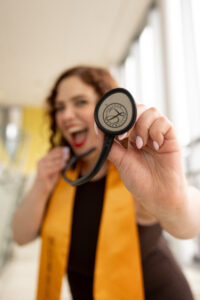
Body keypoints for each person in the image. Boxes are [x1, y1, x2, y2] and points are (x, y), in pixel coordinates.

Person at [12, 66, 200, 300]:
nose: (66, 115)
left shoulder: (134, 173)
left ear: (108, 107)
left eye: (80, 102)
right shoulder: (60, 176)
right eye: (60, 107)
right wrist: (41, 184)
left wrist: (175, 194)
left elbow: (188, 225)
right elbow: (20, 236)